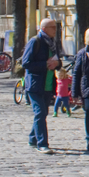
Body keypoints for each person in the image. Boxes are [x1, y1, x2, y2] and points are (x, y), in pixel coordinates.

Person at [22, 18, 62, 154]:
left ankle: (33, 138)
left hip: (48, 84)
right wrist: (44, 64)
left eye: (55, 27)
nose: (55, 30)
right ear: (44, 29)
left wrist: (57, 64)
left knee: (43, 113)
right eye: (52, 27)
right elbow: (26, 63)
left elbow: (57, 60)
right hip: (35, 85)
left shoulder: (52, 43)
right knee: (40, 113)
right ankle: (42, 144)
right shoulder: (35, 42)